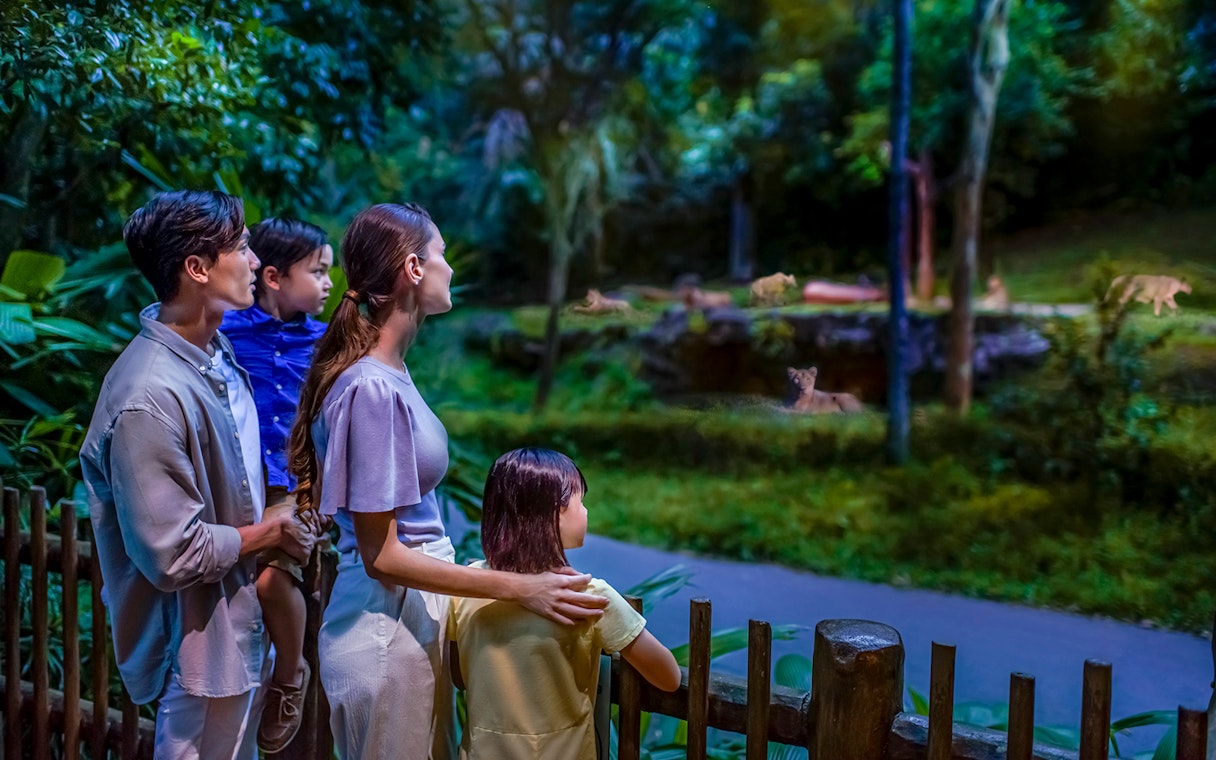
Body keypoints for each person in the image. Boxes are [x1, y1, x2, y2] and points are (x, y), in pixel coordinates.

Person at [288, 202, 609, 760]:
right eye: (439, 254)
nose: (450, 268)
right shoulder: (371, 389)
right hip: (384, 632)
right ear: (413, 269)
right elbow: (381, 555)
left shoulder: (388, 374)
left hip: (407, 621)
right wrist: (521, 586)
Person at [80, 190, 316, 760]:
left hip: (237, 634)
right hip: (193, 656)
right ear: (197, 269)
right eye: (239, 247)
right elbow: (172, 555)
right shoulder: (147, 397)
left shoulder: (217, 352)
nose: (255, 261)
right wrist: (273, 533)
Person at [449, 447, 682, 760]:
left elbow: (458, 675)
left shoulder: (468, 586)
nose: (585, 512)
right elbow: (668, 677)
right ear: (554, 512)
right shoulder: (587, 595)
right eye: (579, 501)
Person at [219, 217, 333, 752]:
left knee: (269, 581)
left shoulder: (328, 342)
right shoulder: (226, 333)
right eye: (318, 270)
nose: (329, 283)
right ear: (273, 277)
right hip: (237, 481)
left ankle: (289, 675)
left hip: (296, 487)